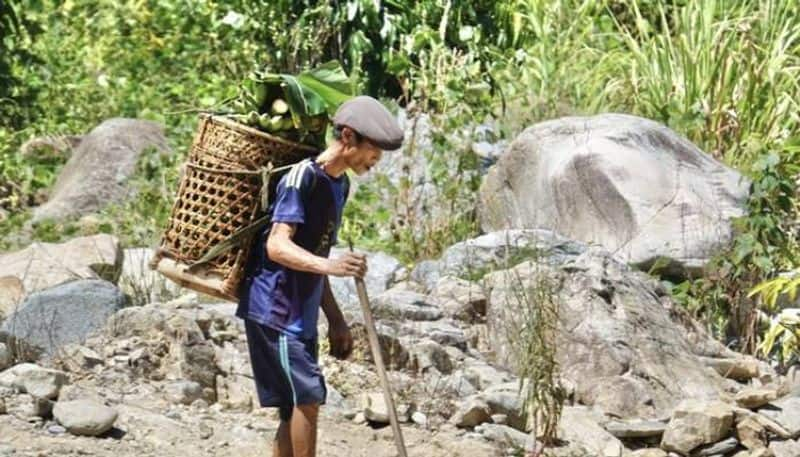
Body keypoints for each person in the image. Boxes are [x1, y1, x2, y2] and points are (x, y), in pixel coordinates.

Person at [235, 95, 404, 457]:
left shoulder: (340, 186)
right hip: (275, 309)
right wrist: (332, 266)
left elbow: (317, 252)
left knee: (293, 407)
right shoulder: (302, 178)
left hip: (301, 313)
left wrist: (336, 319)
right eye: (373, 153)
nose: (375, 163)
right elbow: (277, 247)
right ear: (348, 137)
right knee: (308, 398)